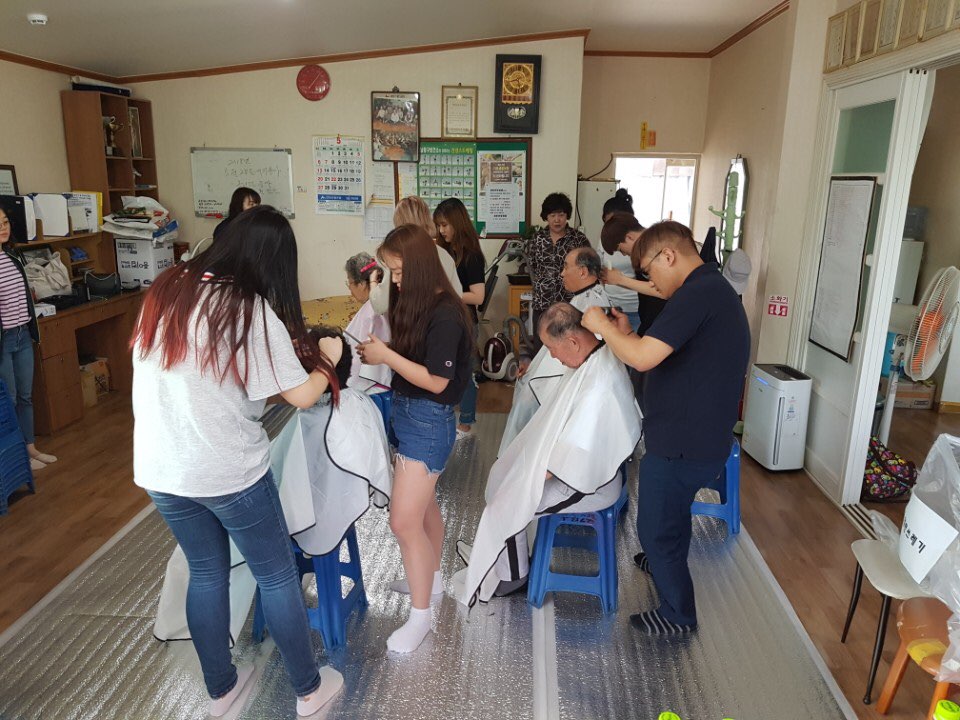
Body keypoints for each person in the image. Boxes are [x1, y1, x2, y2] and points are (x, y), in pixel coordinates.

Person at [131, 205, 344, 717]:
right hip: (228, 471)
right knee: (276, 576)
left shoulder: (166, 290)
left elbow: (204, 377)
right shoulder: (246, 308)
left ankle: (221, 691)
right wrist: (330, 360)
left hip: (162, 468)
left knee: (206, 573)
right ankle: (309, 691)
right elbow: (301, 396)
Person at [582, 220, 750, 635]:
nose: (651, 283)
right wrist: (627, 333)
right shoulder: (706, 289)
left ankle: (678, 613)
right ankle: (662, 562)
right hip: (693, 433)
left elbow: (642, 358)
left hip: (685, 441)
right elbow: (654, 350)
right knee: (669, 516)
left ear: (669, 256)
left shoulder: (698, 294)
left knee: (656, 527)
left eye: (649, 272)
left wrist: (603, 327)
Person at [454, 303, 641, 605]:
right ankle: (505, 560)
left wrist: (526, 477)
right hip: (582, 468)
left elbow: (572, 459)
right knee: (504, 476)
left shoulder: (597, 386)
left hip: (589, 482)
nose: (552, 356)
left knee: (508, 500)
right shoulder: (595, 358)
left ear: (573, 341)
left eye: (552, 349)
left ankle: (514, 576)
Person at [356, 224, 473, 654]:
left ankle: (421, 617)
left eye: (400, 271)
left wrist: (386, 355)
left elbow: (438, 382)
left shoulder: (446, 313)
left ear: (422, 267)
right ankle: (431, 580)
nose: (395, 280)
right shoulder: (416, 301)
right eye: (390, 271)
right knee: (423, 510)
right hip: (408, 413)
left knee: (403, 522)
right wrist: (385, 350)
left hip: (428, 421)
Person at [502, 247, 610, 456]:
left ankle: (521, 457)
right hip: (557, 377)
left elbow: (576, 359)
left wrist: (536, 376)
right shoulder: (583, 299)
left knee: (528, 398)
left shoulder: (593, 306)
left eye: (566, 267)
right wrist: (533, 366)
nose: (562, 273)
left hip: (565, 385)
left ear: (582, 271)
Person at [0, 206, 57, 472]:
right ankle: (17, 455)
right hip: (4, 340)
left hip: (23, 334)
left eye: (5, 222)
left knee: (25, 396)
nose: (3, 228)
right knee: (9, 399)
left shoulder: (12, 256)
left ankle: (30, 447)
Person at [434, 198, 485, 436]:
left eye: (445, 225)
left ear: (457, 222)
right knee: (445, 371)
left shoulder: (471, 255)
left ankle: (465, 423)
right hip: (445, 320)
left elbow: (478, 297)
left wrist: (446, 292)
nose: (441, 230)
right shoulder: (444, 251)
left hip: (465, 322)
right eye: (438, 225)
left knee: (464, 374)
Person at [367, 196, 461, 316]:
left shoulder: (400, 257)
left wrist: (373, 281)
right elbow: (458, 296)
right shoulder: (444, 255)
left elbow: (380, 305)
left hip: (413, 323)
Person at [524, 192, 589, 347]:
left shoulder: (578, 239)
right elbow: (532, 266)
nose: (557, 220)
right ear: (546, 217)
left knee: (568, 346)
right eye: (552, 215)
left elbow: (587, 269)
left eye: (561, 215)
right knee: (541, 347)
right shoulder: (537, 239)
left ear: (567, 216)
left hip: (570, 304)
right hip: (543, 303)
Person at [599, 211, 664, 335]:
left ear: (629, 237)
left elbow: (662, 291)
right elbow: (646, 286)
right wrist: (617, 280)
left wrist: (620, 279)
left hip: (661, 323)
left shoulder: (658, 247)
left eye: (621, 249)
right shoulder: (642, 252)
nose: (624, 254)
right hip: (648, 319)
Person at [342, 252, 391, 390]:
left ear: (362, 284)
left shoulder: (372, 312)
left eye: (350, 282)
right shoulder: (381, 305)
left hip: (372, 386)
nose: (350, 289)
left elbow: (358, 358)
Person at [598, 189, 641, 329]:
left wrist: (620, 280)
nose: (611, 230)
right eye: (608, 224)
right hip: (611, 304)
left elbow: (658, 290)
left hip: (636, 307)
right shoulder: (605, 239)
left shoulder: (647, 247)